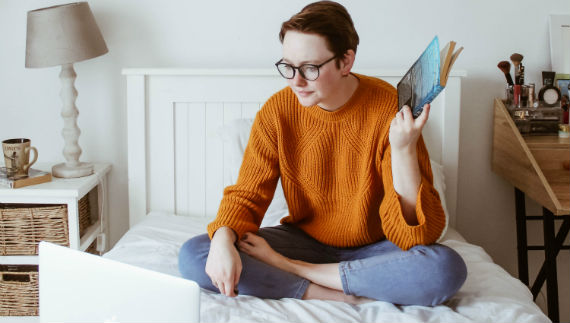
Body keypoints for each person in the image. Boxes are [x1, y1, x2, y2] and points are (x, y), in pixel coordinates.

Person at [179, 0, 467, 306]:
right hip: (304, 240)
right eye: (288, 66)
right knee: (195, 254)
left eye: (310, 68)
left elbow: (416, 237)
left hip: (376, 248)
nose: (296, 81)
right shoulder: (278, 111)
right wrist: (224, 238)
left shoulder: (388, 108)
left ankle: (299, 273)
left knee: (444, 267)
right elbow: (247, 194)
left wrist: (403, 149)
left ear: (346, 62)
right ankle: (332, 292)